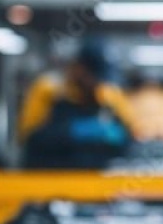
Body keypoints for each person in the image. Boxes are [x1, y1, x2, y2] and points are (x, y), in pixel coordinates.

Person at [19, 39, 137, 169]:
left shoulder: (109, 95)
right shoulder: (49, 90)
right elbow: (28, 140)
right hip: (51, 176)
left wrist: (120, 137)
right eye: (93, 76)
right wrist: (71, 131)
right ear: (78, 68)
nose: (97, 83)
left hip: (95, 178)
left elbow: (128, 141)